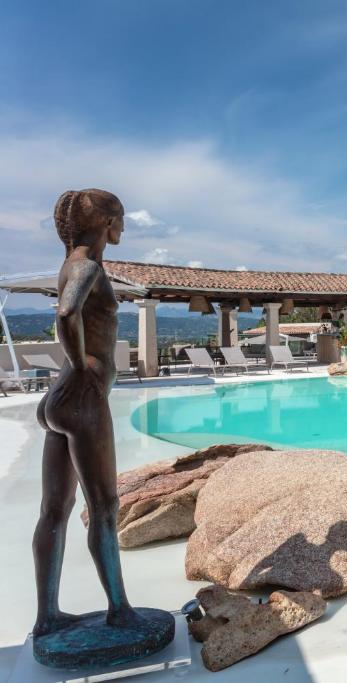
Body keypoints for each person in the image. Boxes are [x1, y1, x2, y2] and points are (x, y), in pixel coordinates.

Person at [32, 189, 146, 636]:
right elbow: (66, 314)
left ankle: (48, 617)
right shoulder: (88, 266)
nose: (124, 228)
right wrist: (84, 369)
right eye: (121, 219)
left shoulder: (71, 264)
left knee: (55, 510)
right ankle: (120, 610)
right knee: (104, 506)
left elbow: (67, 313)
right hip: (81, 398)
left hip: (59, 400)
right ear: (105, 223)